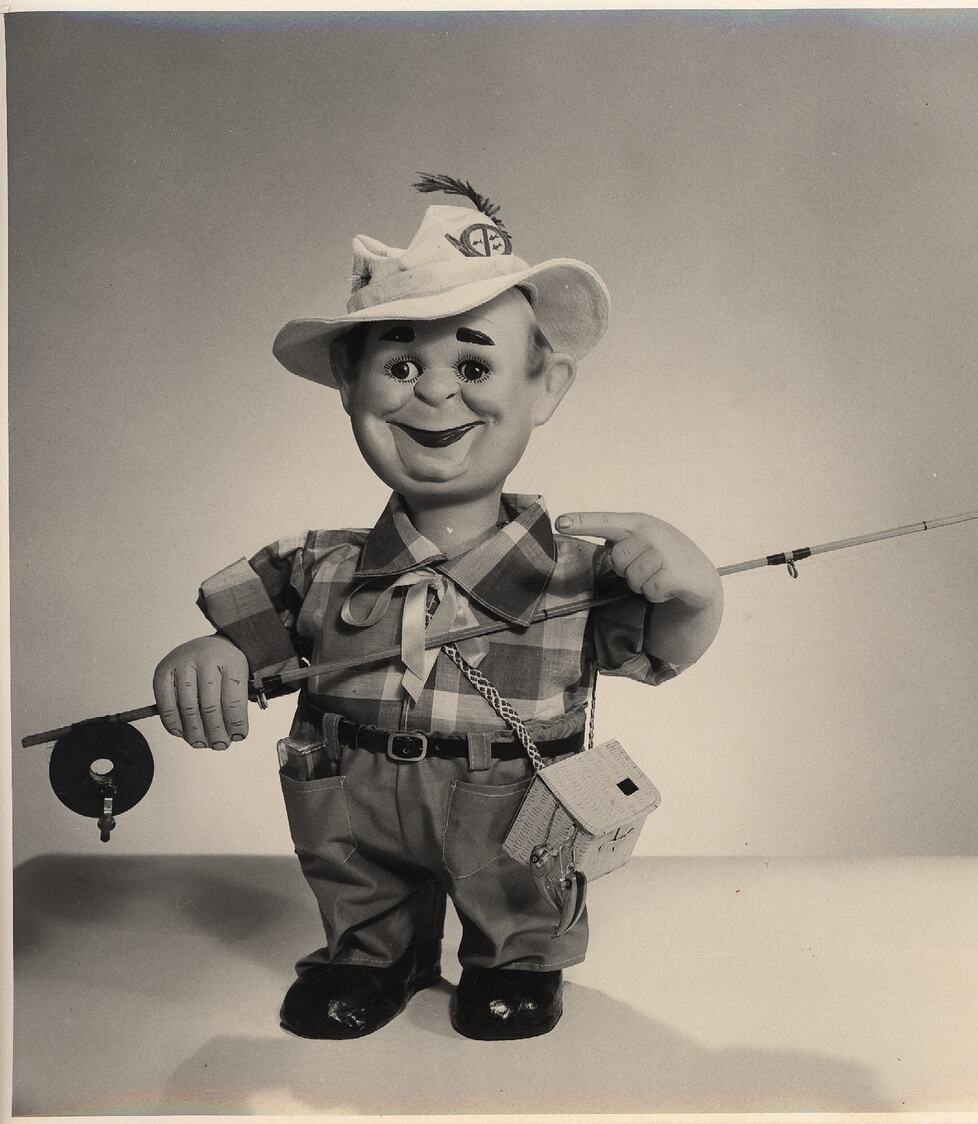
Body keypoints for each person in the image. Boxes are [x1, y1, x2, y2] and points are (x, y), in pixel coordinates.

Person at [151, 175, 723, 1041]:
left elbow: (662, 648)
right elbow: (239, 638)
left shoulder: (578, 573)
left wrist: (698, 591)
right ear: (349, 383)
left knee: (516, 884)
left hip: (507, 799)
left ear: (545, 387)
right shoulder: (313, 565)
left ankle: (514, 963)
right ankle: (373, 955)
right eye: (400, 365)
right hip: (352, 797)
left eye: (475, 365)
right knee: (357, 878)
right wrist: (209, 655)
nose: (435, 392)